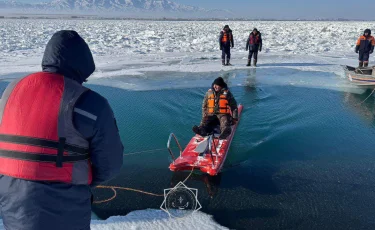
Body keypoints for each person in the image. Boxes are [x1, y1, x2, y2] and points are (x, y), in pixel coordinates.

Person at [0, 30, 124, 230]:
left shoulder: (10, 91)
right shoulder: (91, 103)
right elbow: (111, 164)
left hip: (12, 203)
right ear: (81, 66)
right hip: (65, 207)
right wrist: (84, 182)